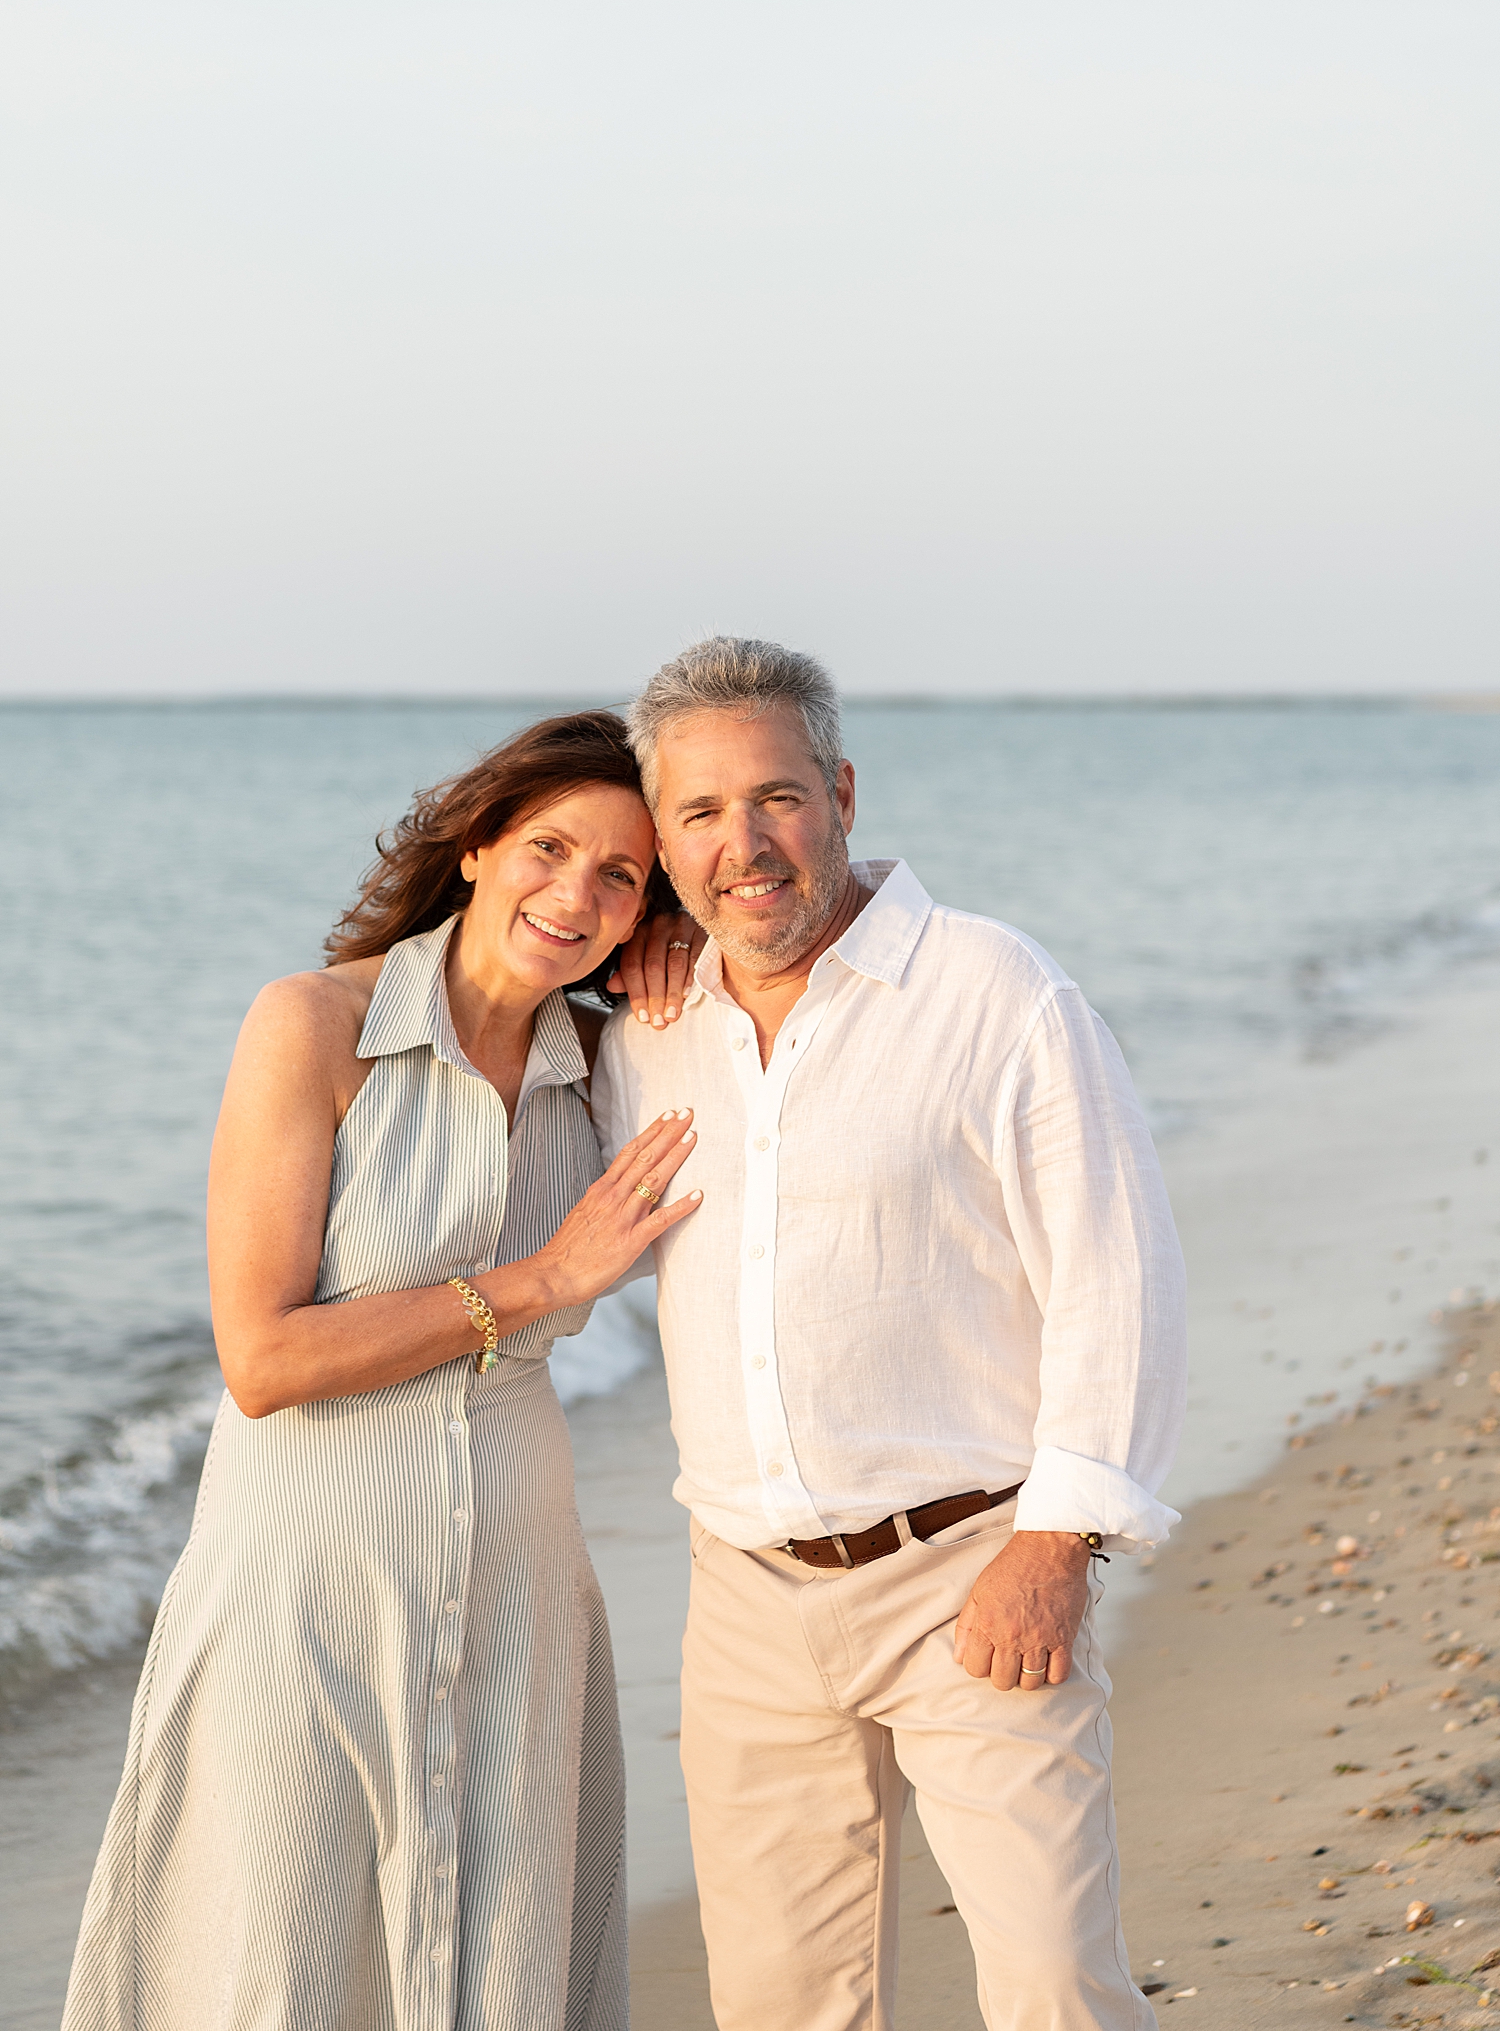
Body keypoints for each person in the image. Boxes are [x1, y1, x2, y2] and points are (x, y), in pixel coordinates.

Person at [63, 711, 703, 2031]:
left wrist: (694, 960)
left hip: (520, 1602)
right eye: (550, 847)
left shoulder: (615, 1073)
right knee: (283, 1968)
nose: (575, 891)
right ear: (476, 845)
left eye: (622, 875)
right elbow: (262, 1354)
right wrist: (535, 1281)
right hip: (306, 1596)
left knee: (503, 1968)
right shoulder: (311, 1027)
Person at [591, 640, 1188, 2031]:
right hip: (743, 1598)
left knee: (1054, 1985)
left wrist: (1058, 1542)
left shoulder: (995, 991)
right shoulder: (650, 1023)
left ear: (842, 791)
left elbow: (1118, 1272)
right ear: (664, 840)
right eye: (700, 813)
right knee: (784, 2004)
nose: (745, 844)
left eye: (777, 798)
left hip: (972, 1574)